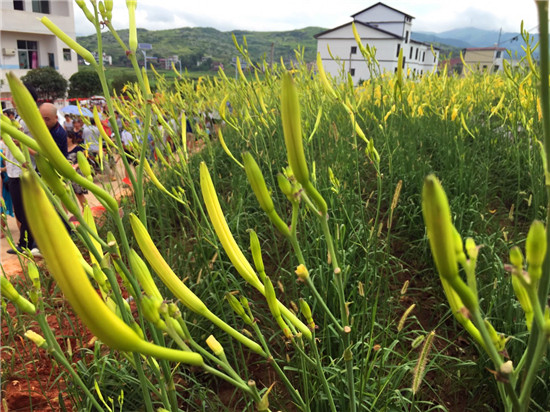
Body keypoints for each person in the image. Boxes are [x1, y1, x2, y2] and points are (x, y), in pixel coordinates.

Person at [6, 83, 40, 255]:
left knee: (26, 210)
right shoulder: (19, 118)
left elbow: (37, 146)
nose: (12, 98)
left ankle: (28, 243)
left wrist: (19, 141)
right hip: (13, 170)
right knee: (20, 210)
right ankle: (27, 242)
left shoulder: (30, 119)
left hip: (23, 171)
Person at [66, 130, 88, 210]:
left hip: (77, 173)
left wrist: (75, 166)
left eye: (66, 137)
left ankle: (85, 210)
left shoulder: (78, 148)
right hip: (67, 174)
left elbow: (82, 160)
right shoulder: (63, 148)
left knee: (79, 194)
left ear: (71, 138)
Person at [0, 137, 15, 238]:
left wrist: (1, 169)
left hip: (3, 182)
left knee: (2, 207)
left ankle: (2, 228)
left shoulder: (2, 152)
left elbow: (8, 167)